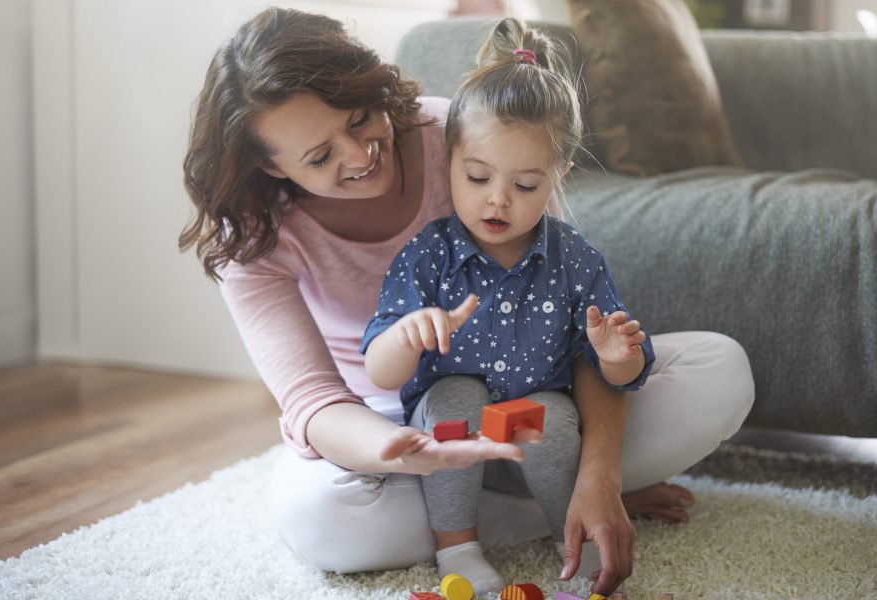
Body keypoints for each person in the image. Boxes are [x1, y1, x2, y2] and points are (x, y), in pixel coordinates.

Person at [180, 6, 754, 596]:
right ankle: (514, 516)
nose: (359, 155)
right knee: (321, 519)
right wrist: (399, 452)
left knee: (721, 369)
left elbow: (574, 327)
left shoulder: (469, 138)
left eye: (360, 118)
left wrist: (600, 475)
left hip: (541, 399)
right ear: (269, 165)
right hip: (388, 418)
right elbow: (315, 403)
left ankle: (560, 498)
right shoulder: (249, 238)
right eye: (320, 157)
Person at [359, 17, 657, 593]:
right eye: (477, 177)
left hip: (536, 421)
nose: (498, 200)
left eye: (524, 186)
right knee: (455, 400)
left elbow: (619, 377)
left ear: (558, 177)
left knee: (554, 419)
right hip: (450, 427)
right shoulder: (429, 254)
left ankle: (571, 536)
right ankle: (458, 548)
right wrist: (408, 333)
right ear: (449, 161)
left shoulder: (575, 258)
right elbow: (380, 369)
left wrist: (617, 357)